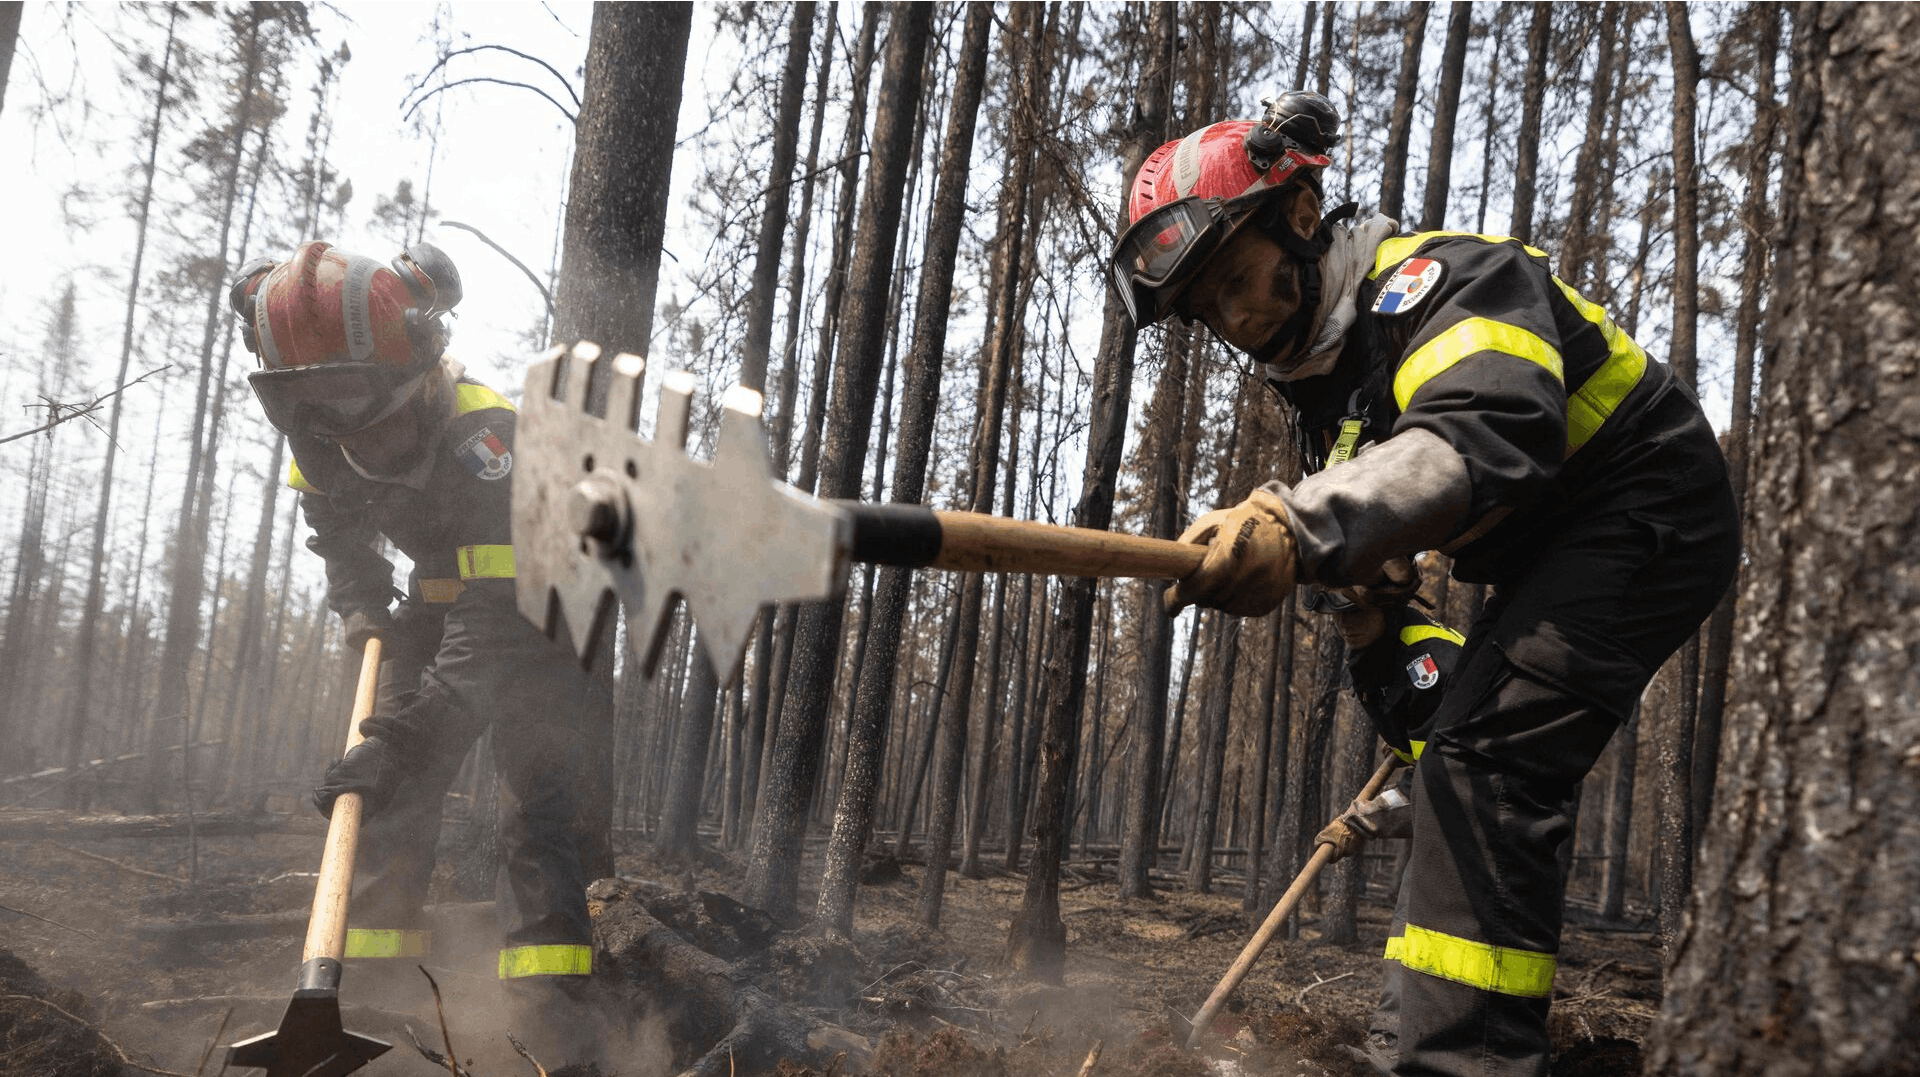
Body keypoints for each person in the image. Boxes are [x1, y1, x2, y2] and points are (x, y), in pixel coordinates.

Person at [1111, 93, 1739, 1077]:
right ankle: (1417, 1045)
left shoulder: (1450, 280)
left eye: (1236, 278)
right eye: (1207, 309)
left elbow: (1488, 429)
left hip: (1649, 502)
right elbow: (1405, 625)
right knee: (1455, 757)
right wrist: (1372, 631)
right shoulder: (1335, 401)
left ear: (1302, 216)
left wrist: (1297, 521)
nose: (1235, 319)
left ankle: (1460, 1064)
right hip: (1550, 552)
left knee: (1485, 765)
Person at [228, 240, 614, 1057]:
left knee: (534, 815)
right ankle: (375, 1006)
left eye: (370, 414)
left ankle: (552, 1033)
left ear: (421, 373)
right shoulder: (318, 431)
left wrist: (403, 740)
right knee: (389, 803)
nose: (356, 441)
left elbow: (493, 634)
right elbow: (336, 530)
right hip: (442, 606)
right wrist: (363, 609)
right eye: (321, 412)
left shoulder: (490, 442)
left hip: (540, 614)